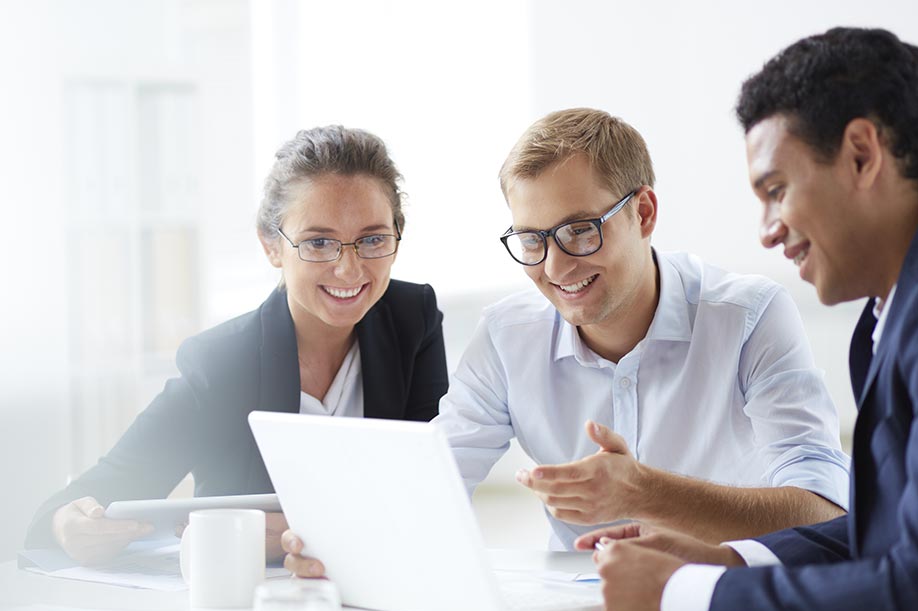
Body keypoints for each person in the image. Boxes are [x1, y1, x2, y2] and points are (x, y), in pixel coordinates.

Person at [280, 108, 850, 574]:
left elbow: (825, 512)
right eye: (532, 239)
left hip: (728, 608)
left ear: (644, 213)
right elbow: (431, 482)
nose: (555, 266)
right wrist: (329, 545)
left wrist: (647, 493)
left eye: (580, 230)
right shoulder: (508, 337)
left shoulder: (749, 318)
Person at [581, 27, 918, 611]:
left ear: (860, 154)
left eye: (775, 190)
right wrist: (729, 559)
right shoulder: (906, 301)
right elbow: (907, 530)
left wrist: (678, 596)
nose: (765, 233)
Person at [25, 125, 449, 565]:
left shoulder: (411, 318)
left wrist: (308, 530)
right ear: (271, 246)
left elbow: (432, 491)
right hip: (248, 607)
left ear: (397, 237)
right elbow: (95, 494)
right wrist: (67, 524)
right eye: (318, 242)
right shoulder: (223, 364)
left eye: (372, 239)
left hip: (380, 593)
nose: (348, 268)